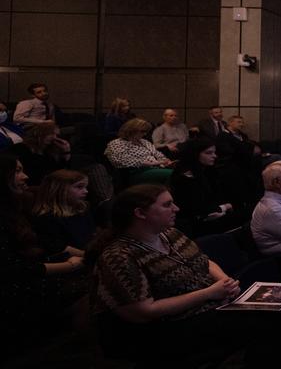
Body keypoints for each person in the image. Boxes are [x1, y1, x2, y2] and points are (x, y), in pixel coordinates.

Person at [88, 185, 281, 369]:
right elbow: (143, 312)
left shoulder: (171, 234)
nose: (176, 208)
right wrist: (208, 293)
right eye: (167, 204)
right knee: (267, 328)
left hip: (207, 308)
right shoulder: (119, 256)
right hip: (161, 330)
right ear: (140, 213)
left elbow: (204, 261)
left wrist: (223, 281)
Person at [0, 156, 87, 336]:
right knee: (91, 287)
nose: (25, 176)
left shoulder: (17, 205)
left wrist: (71, 252)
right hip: (11, 286)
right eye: (17, 171)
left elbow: (43, 243)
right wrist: (70, 265)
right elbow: (12, 269)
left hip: (28, 269)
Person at [168, 136, 238, 237]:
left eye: (214, 152)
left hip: (210, 215)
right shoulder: (186, 176)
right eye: (208, 153)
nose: (215, 156)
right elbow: (197, 209)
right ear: (195, 154)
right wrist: (225, 206)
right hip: (194, 223)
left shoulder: (206, 170)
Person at [27, 169, 97, 254]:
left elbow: (92, 236)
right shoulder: (47, 218)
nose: (86, 191)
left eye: (85, 187)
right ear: (59, 190)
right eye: (79, 187)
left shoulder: (82, 210)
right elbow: (58, 247)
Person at [105, 118, 174, 184]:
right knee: (173, 174)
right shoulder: (117, 143)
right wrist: (152, 163)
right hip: (136, 172)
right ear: (131, 130)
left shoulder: (144, 142)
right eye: (142, 131)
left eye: (146, 131)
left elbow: (158, 154)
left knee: (180, 173)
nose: (145, 134)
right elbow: (119, 160)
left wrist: (166, 161)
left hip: (156, 168)